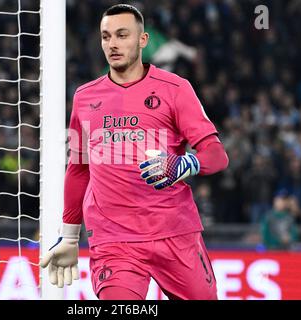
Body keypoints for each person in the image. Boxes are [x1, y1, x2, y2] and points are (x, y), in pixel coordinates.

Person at [40, 4, 229, 300]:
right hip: (114, 240)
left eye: (122, 35)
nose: (112, 44)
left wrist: (184, 164)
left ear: (143, 40)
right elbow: (78, 169)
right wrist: (70, 236)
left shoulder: (175, 89)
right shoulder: (84, 97)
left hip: (174, 232)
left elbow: (217, 155)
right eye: (106, 36)